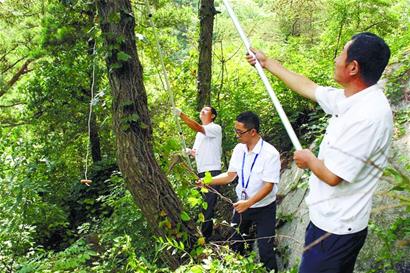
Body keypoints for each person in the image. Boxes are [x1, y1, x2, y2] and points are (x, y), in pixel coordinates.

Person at [246, 32, 392, 273]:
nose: (336, 59)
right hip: (327, 223)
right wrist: (266, 63)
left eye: (342, 53)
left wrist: (309, 160)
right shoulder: (353, 99)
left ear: (353, 67)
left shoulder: (368, 116)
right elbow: (309, 87)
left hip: (336, 231)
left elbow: (334, 176)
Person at [198, 111, 280, 272]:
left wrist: (248, 203)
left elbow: (268, 186)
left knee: (265, 250)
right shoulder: (239, 149)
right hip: (242, 206)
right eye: (235, 130)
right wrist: (207, 181)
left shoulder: (270, 154)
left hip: (264, 207)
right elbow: (230, 176)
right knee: (236, 245)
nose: (236, 135)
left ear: (253, 132)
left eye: (239, 132)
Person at [173, 106, 222, 240]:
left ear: (212, 116)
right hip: (201, 172)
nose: (202, 111)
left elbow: (197, 127)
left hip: (212, 172)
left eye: (206, 110)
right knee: (204, 204)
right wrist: (189, 151)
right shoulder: (199, 135)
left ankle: (205, 237)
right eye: (202, 110)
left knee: (208, 204)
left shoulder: (215, 128)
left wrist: (181, 115)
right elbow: (196, 152)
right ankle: (206, 233)